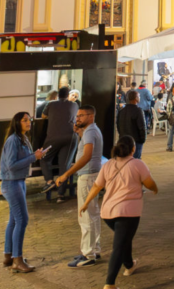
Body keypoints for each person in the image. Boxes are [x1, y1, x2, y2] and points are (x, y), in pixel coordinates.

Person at [80, 136, 157, 288]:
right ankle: (109, 284)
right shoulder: (137, 164)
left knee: (123, 239)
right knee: (119, 245)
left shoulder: (108, 164)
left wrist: (86, 203)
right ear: (133, 149)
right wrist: (155, 188)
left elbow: (96, 186)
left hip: (108, 213)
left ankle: (129, 265)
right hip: (128, 213)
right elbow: (149, 183)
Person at [0, 112, 50, 272]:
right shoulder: (13, 139)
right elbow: (11, 165)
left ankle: (9, 256)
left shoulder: (23, 138)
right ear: (17, 122)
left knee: (14, 220)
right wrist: (33, 157)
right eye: (24, 120)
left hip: (18, 181)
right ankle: (18, 260)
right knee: (22, 220)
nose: (28, 122)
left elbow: (24, 159)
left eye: (29, 120)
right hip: (12, 183)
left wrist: (36, 155)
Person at [56, 105, 104, 267]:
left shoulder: (90, 131)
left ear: (91, 116)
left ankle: (88, 254)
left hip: (87, 177)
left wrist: (66, 174)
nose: (77, 119)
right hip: (92, 176)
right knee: (92, 214)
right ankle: (93, 250)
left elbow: (87, 155)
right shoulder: (90, 131)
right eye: (77, 116)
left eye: (81, 116)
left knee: (86, 216)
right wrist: (80, 134)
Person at [41, 86, 79, 201]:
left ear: (58, 95)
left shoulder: (51, 104)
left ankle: (49, 181)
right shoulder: (74, 105)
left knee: (44, 158)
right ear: (68, 95)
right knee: (65, 165)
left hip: (53, 137)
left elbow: (43, 116)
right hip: (70, 137)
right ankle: (60, 195)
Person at [116, 90, 148, 158]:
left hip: (123, 140)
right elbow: (142, 127)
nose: (140, 97)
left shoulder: (122, 111)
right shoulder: (138, 111)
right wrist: (142, 139)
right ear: (135, 98)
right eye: (139, 96)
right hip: (135, 141)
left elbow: (118, 125)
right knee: (135, 160)